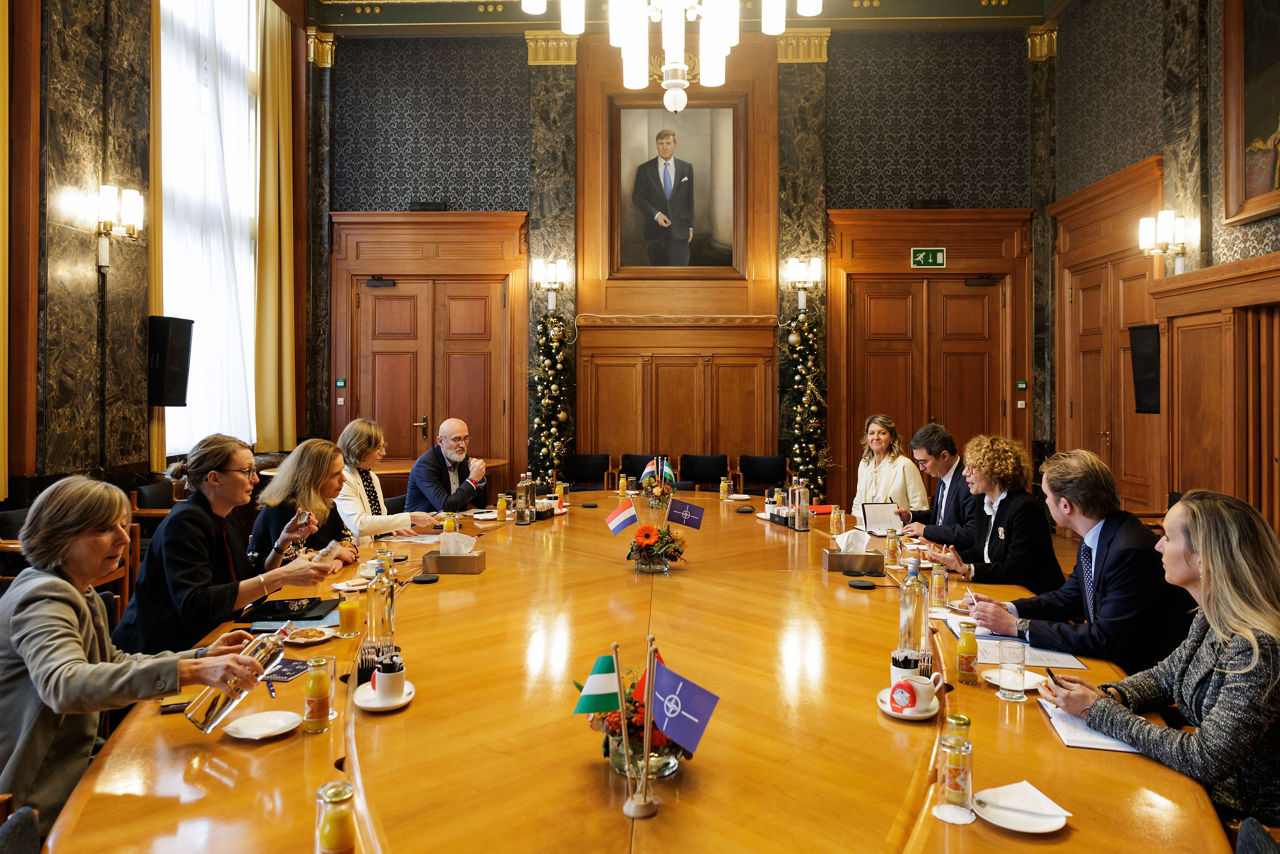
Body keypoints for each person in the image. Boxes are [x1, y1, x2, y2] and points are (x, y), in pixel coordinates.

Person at [0, 476, 266, 836]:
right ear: (59, 535)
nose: (125, 540)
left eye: (123, 527)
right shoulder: (43, 597)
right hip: (36, 803)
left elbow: (113, 660)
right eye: (103, 530)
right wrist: (193, 671)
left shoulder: (82, 591)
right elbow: (64, 684)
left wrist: (202, 654)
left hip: (76, 774)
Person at [1041, 491, 1280, 825]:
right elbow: (1166, 676)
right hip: (1198, 788)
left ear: (1204, 558)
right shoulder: (1212, 614)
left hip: (1236, 814)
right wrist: (1111, 694)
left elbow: (1205, 758)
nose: (1157, 547)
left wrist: (1097, 711)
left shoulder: (1258, 648)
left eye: (1167, 537)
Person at [965, 450, 1194, 673]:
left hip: (1133, 674)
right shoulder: (1097, 536)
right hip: (1111, 662)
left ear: (1066, 506)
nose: (1044, 502)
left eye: (1046, 496)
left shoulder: (1128, 550)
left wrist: (1017, 626)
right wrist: (1007, 609)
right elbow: (1068, 598)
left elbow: (1106, 638)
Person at [113, 435, 331, 655]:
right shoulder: (185, 523)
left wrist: (282, 542)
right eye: (247, 471)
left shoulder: (223, 517)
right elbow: (196, 605)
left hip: (209, 642)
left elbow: (250, 581)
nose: (255, 480)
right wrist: (281, 576)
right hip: (160, 655)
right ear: (215, 478)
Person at [927, 434, 1063, 595]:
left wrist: (967, 569)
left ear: (994, 471)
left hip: (1032, 596)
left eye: (971, 468)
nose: (964, 473)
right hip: (999, 588)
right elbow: (980, 552)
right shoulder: (983, 502)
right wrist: (947, 559)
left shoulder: (1024, 508)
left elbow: (1016, 570)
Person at [249, 439, 359, 568]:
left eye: (342, 471)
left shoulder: (326, 502)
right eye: (335, 474)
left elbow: (348, 541)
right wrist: (335, 552)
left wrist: (337, 559)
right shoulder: (283, 509)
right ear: (312, 477)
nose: (344, 479)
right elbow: (291, 562)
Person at [335, 418, 437, 545]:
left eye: (384, 446)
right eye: (378, 448)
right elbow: (359, 525)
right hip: (356, 550)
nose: (384, 453)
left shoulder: (371, 477)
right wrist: (409, 517)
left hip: (376, 547)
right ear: (360, 448)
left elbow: (380, 519)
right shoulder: (343, 480)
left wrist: (392, 527)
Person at [895, 423, 979, 549]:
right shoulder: (942, 474)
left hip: (958, 556)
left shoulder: (969, 482)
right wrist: (910, 516)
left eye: (924, 462)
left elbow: (971, 533)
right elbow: (938, 516)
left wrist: (926, 530)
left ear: (944, 456)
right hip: (936, 548)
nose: (921, 468)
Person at [632, 129, 694, 266]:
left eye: (668, 143)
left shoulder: (686, 168)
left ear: (675, 145)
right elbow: (637, 197)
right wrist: (656, 214)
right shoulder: (644, 169)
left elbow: (689, 199)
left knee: (680, 277)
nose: (664, 147)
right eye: (661, 143)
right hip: (655, 233)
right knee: (657, 278)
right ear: (656, 145)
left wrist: (690, 227)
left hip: (680, 232)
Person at [851, 414, 928, 518]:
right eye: (871, 433)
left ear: (892, 437)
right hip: (865, 530)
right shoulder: (864, 464)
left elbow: (921, 508)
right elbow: (857, 504)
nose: (876, 437)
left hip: (897, 531)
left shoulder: (905, 465)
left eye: (882, 433)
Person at [406, 418, 490, 513]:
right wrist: (472, 479)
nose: (462, 445)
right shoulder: (425, 466)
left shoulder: (463, 459)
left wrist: (479, 478)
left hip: (454, 523)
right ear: (441, 441)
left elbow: (481, 503)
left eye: (465, 438)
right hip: (423, 526)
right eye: (456, 439)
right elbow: (445, 507)